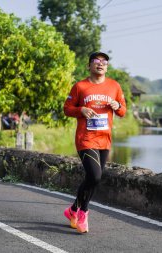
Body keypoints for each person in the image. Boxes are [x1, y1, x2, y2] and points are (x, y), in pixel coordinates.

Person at [63, 52, 126, 233]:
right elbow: (67, 109)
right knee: (95, 176)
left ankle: (73, 209)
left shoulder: (114, 86)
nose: (100, 64)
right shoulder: (80, 86)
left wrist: (117, 106)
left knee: (93, 179)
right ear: (89, 65)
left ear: (107, 67)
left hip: (104, 139)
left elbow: (123, 111)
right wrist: (81, 109)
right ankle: (83, 212)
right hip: (86, 138)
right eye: (96, 61)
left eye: (104, 62)